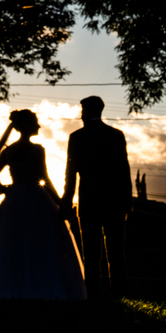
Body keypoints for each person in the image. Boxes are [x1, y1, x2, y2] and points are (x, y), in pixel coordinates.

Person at [0, 109, 86, 300]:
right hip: (36, 198)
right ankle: (39, 285)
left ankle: (11, 286)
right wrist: (60, 202)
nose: (38, 126)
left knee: (12, 243)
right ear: (28, 126)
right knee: (40, 242)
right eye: (35, 122)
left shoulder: (9, 151)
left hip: (14, 198)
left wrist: (4, 188)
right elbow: (44, 178)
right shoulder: (37, 150)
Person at [61, 95, 132, 298]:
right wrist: (127, 201)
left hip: (89, 201)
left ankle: (92, 294)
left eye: (82, 110)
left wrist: (67, 201)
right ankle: (119, 295)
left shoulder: (76, 137)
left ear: (86, 112)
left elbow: (70, 173)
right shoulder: (116, 135)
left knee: (91, 253)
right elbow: (123, 169)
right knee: (116, 252)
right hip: (115, 201)